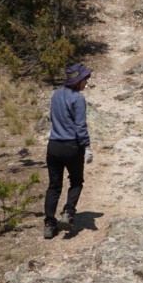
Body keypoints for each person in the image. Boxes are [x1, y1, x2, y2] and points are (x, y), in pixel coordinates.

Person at [44, 61, 93, 239]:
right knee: (77, 181)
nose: (86, 83)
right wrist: (86, 146)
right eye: (85, 79)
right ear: (77, 81)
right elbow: (80, 126)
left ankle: (49, 225)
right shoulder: (78, 98)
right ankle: (68, 213)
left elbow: (53, 118)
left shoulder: (55, 94)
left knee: (53, 186)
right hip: (72, 146)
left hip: (53, 146)